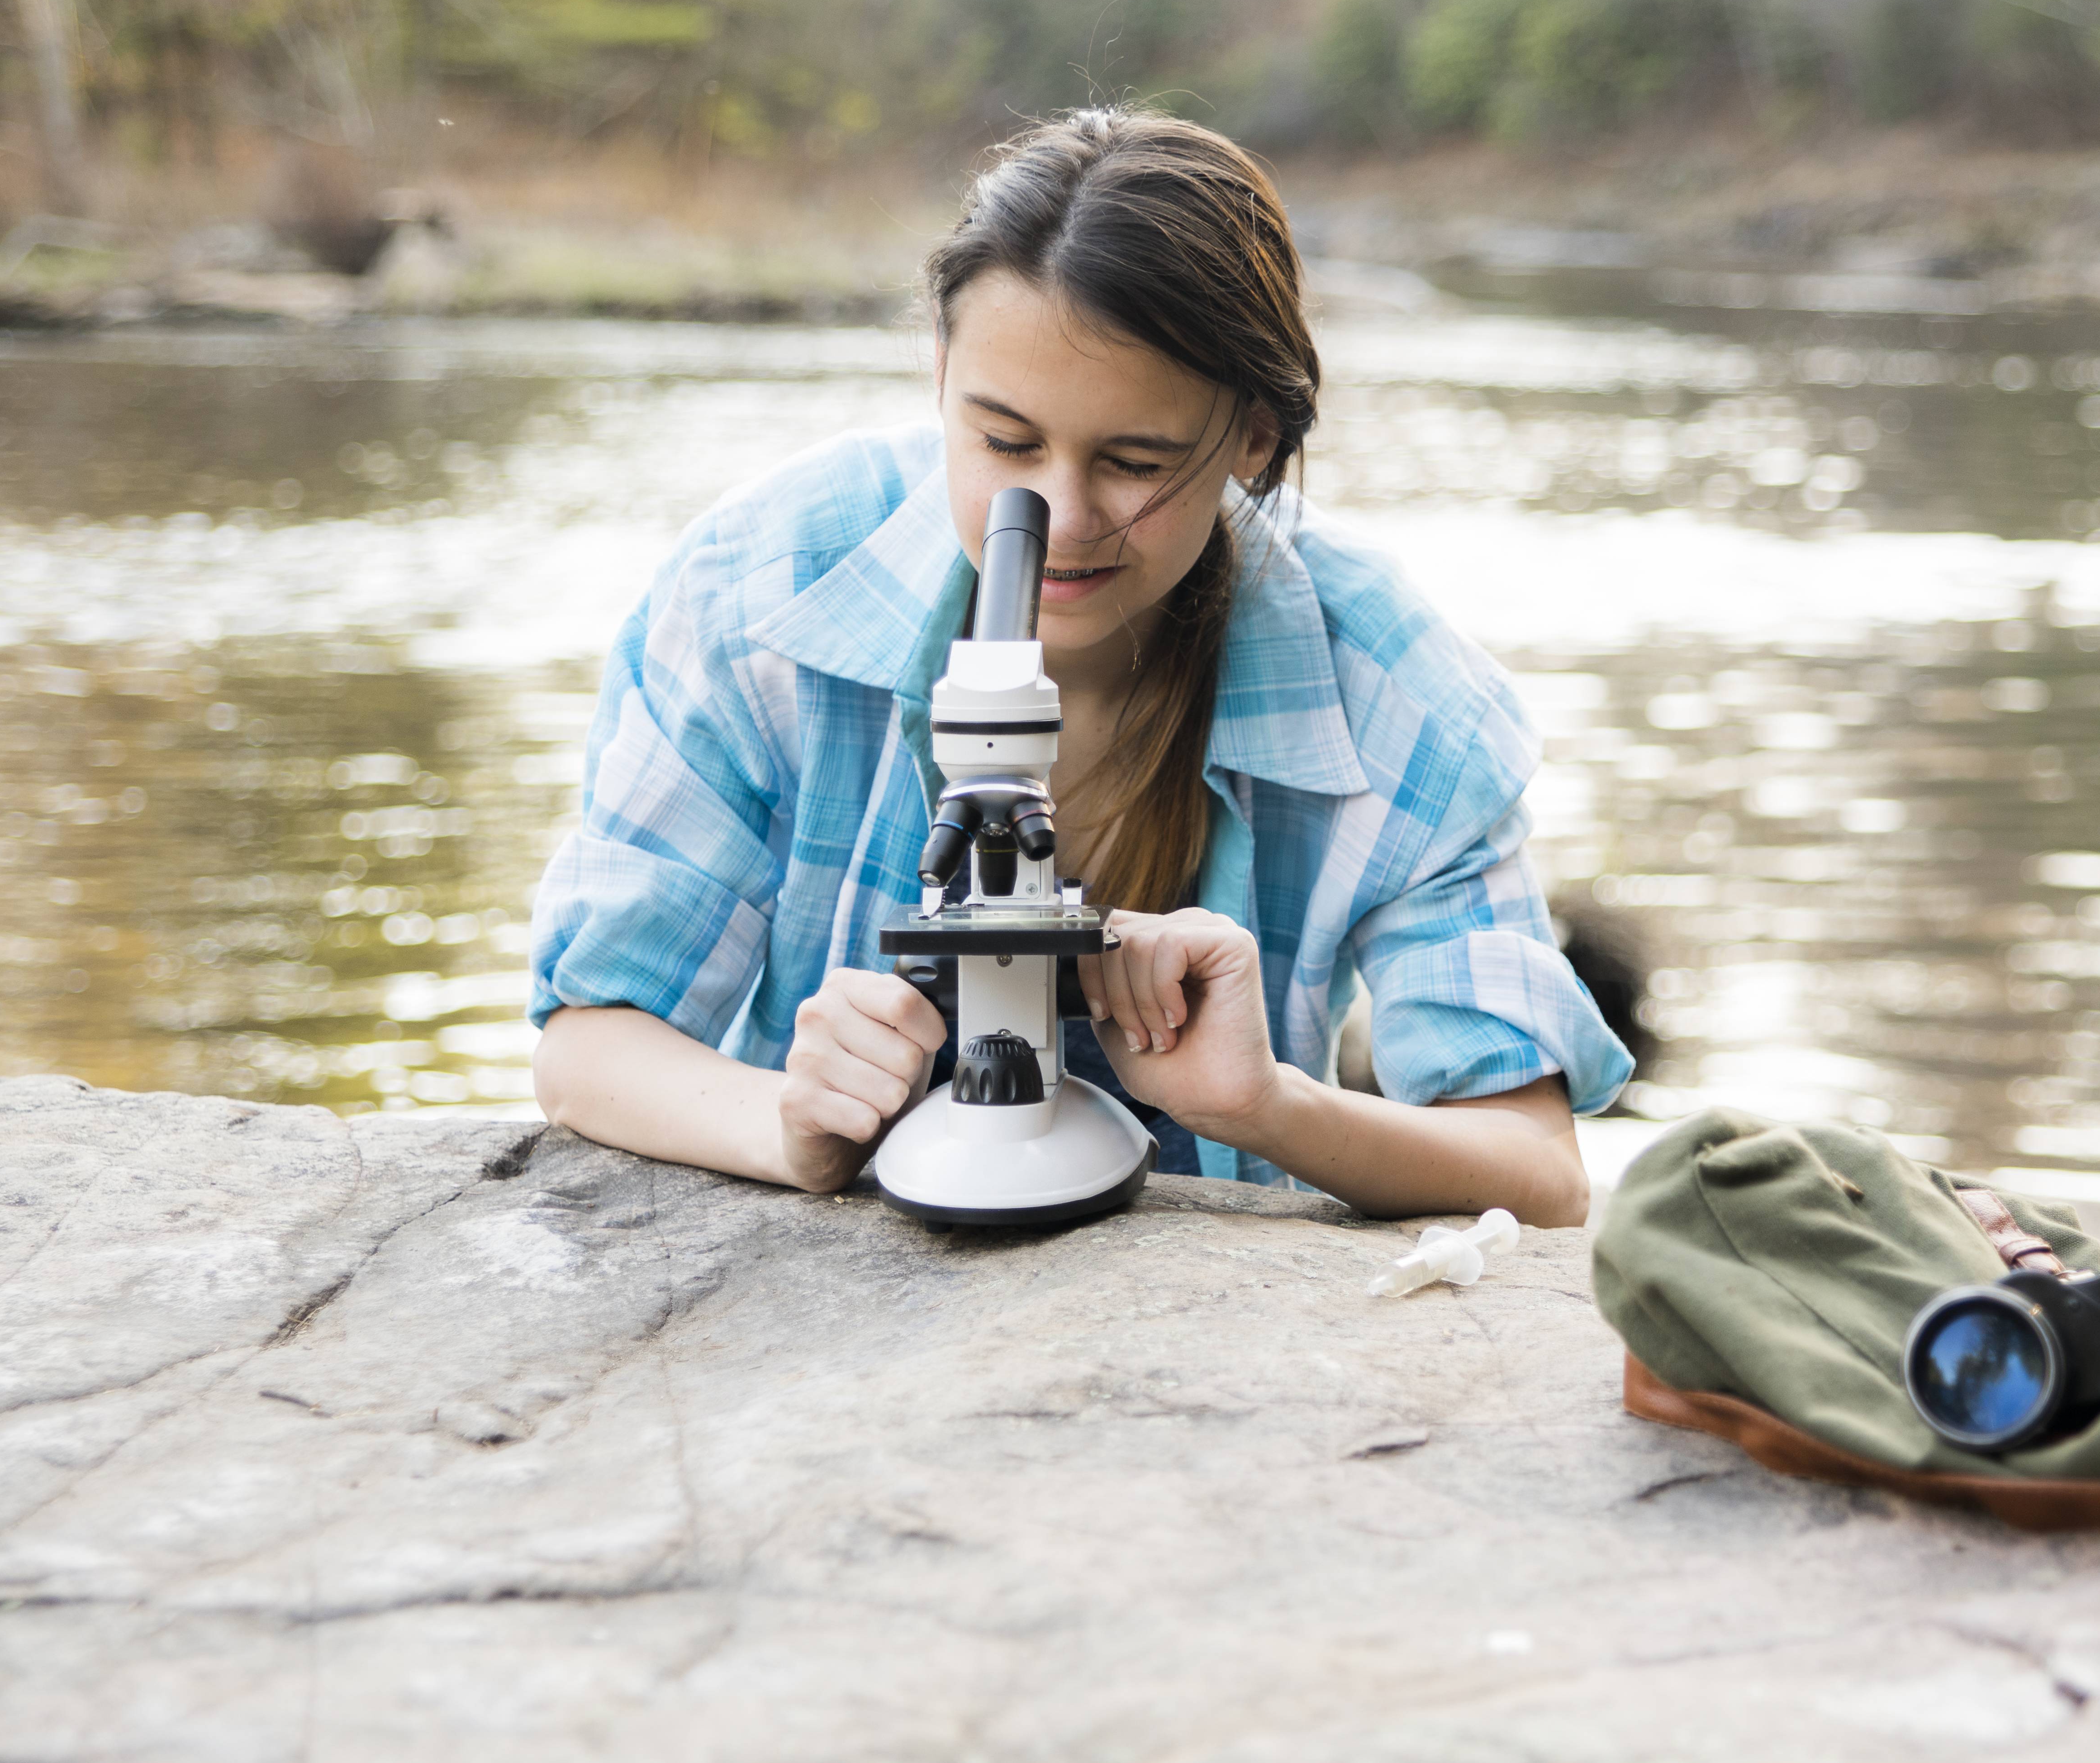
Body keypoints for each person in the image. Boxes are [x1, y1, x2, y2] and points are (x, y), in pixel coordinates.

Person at [526, 108, 1631, 1223]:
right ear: (941, 371)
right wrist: (790, 1126)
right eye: (1005, 443)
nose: (1055, 520)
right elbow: (587, 1045)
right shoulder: (759, 588)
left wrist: (1274, 1110)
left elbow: (1536, 1171)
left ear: (1251, 436)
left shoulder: (1397, 692)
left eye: (1135, 462)